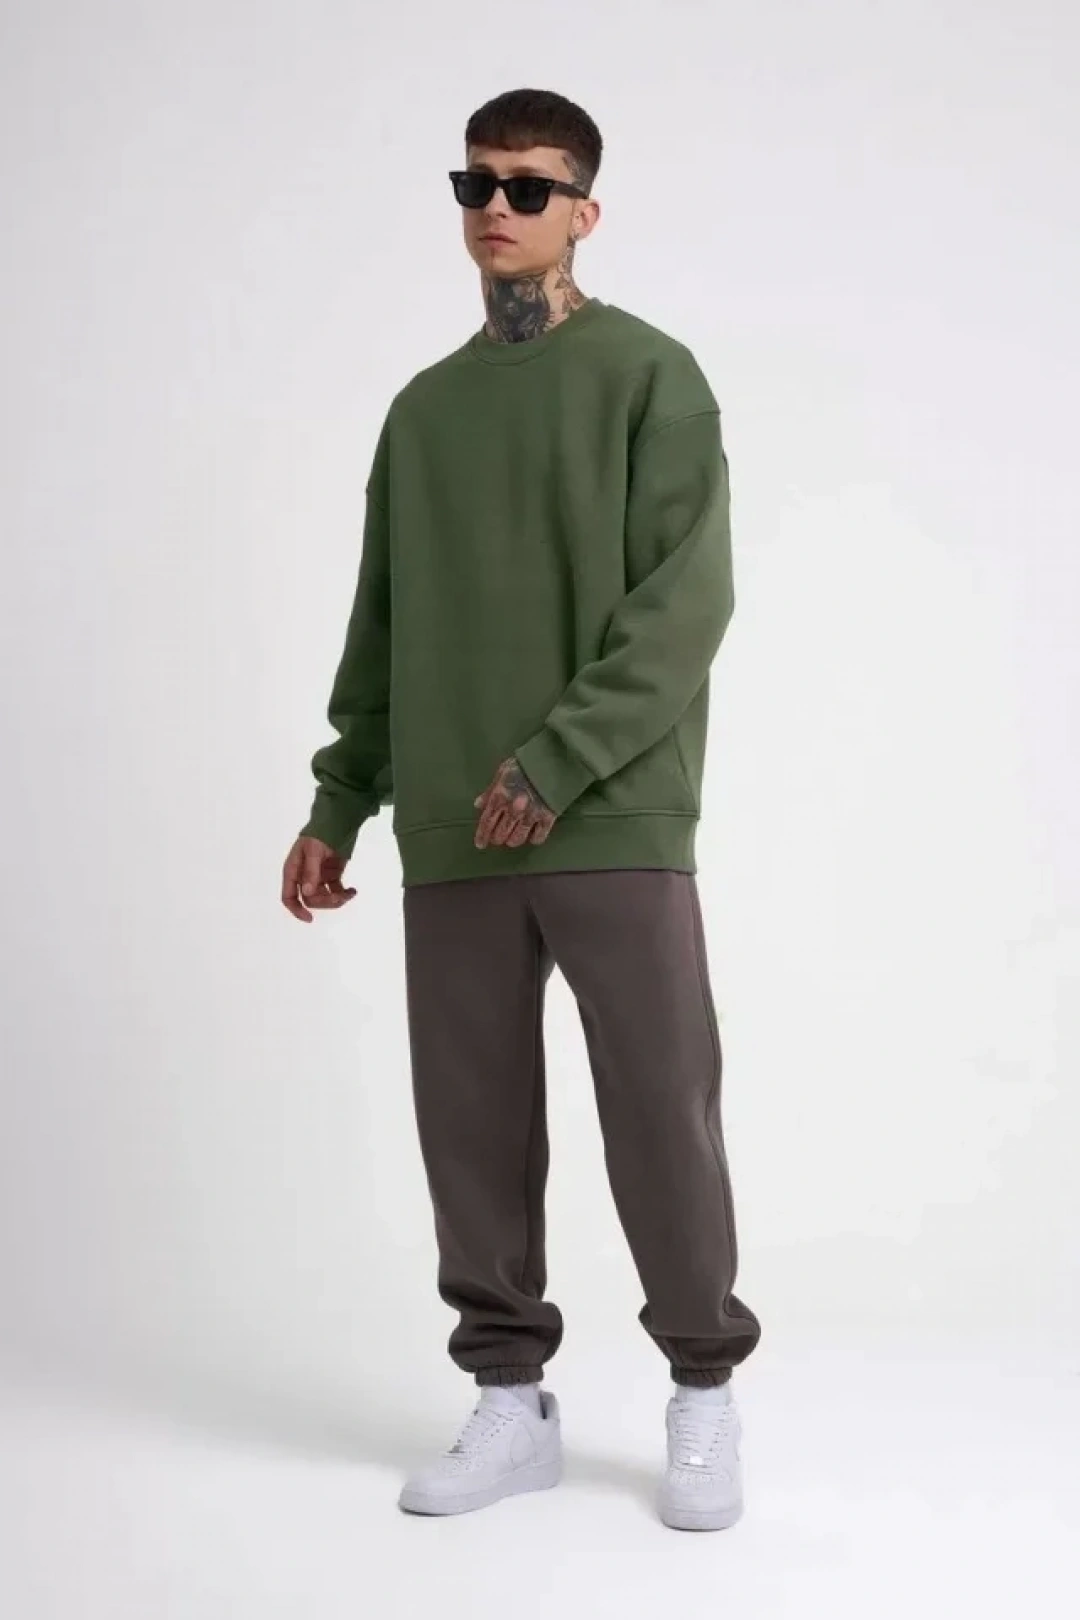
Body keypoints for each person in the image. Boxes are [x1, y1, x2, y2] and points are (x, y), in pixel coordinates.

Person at [281, 86, 761, 1530]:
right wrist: (341, 799)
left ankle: (703, 1389)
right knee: (472, 1127)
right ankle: (510, 1399)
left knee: (661, 1110)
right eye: (476, 183)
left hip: (608, 815)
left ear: (584, 212)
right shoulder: (422, 413)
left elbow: (685, 605)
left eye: (530, 186)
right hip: (452, 825)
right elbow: (382, 622)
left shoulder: (651, 377)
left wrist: (556, 761)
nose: (497, 206)